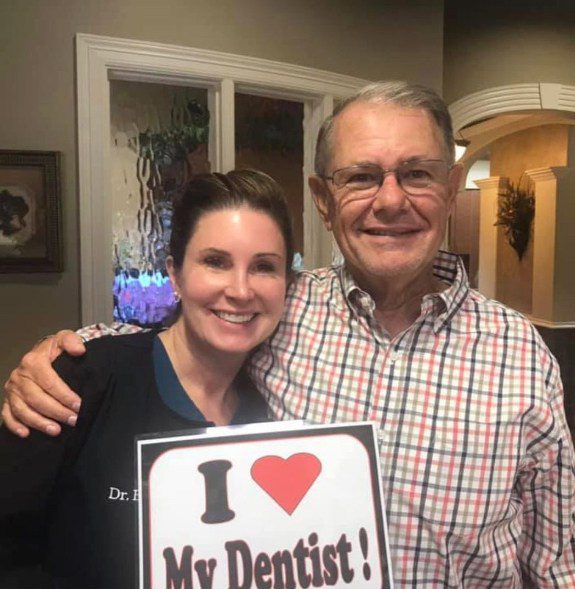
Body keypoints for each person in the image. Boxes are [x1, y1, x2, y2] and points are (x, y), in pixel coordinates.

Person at [4, 81, 575, 588]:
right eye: (362, 177)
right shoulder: (284, 308)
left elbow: (555, 566)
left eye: (418, 173)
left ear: (451, 189)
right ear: (324, 200)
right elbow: (187, 333)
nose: (392, 200)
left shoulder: (524, 357)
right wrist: (63, 355)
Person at [0, 169, 294, 588]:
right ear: (175, 274)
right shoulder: (77, 380)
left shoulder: (270, 412)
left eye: (264, 267)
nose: (241, 290)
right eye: (215, 262)